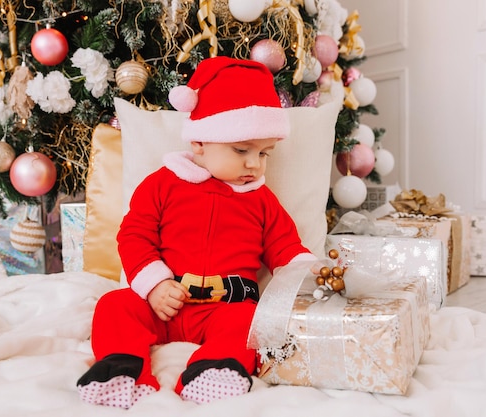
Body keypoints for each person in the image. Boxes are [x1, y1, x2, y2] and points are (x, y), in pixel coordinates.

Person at [76, 56, 322, 408]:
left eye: (265, 153)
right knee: (114, 305)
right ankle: (121, 368)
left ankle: (215, 368)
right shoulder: (163, 185)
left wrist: (306, 270)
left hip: (225, 306)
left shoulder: (261, 199)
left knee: (249, 321)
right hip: (162, 304)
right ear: (200, 143)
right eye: (241, 150)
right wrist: (156, 284)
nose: (254, 164)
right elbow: (134, 236)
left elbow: (284, 245)